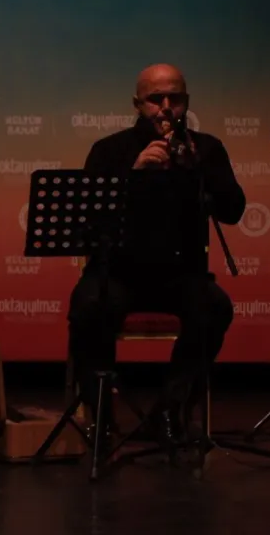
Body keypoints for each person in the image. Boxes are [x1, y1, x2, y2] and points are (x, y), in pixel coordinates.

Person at [67, 63, 243, 447]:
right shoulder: (109, 150)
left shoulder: (206, 149)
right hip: (118, 271)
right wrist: (133, 174)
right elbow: (89, 225)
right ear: (137, 104)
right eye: (155, 99)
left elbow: (234, 211)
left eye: (174, 98)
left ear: (187, 101)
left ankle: (170, 410)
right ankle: (102, 417)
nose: (165, 107)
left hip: (180, 274)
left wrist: (199, 171)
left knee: (215, 307)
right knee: (88, 307)